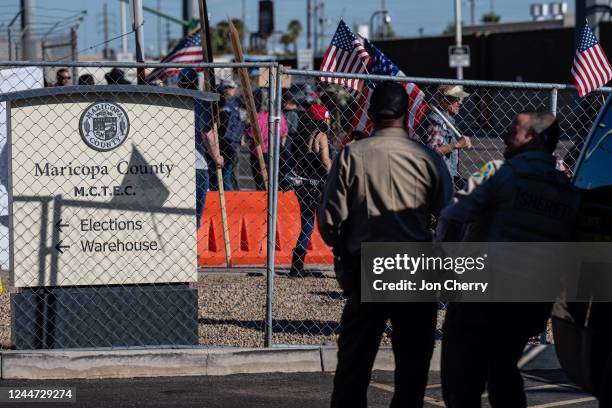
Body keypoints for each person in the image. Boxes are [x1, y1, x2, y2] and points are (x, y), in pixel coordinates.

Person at [318, 82, 453, 408]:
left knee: (354, 363)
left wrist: (342, 251)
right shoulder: (427, 157)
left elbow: (329, 220)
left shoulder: (352, 154)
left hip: (368, 264)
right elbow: (449, 216)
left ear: (371, 113)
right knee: (413, 365)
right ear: (406, 114)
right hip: (415, 265)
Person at [436, 112, 581, 408]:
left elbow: (452, 217)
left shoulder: (502, 173)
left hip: (485, 295)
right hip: (531, 300)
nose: (503, 134)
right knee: (504, 370)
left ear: (534, 139)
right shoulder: (567, 189)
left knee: (463, 375)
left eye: (513, 130)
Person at [289, 103, 333, 277]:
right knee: (333, 222)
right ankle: (343, 260)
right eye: (327, 118)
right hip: (319, 186)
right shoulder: (320, 135)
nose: (329, 121)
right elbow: (325, 160)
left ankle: (297, 265)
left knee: (307, 224)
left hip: (304, 185)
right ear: (323, 119)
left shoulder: (301, 134)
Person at [177, 68, 223, 229]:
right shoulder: (199, 102)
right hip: (196, 164)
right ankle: (190, 249)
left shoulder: (171, 101)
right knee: (195, 212)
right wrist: (217, 156)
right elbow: (207, 134)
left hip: (174, 164)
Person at [423, 85, 472, 188]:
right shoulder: (437, 121)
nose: (460, 102)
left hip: (448, 177)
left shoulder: (448, 120)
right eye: (457, 99)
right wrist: (457, 144)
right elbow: (432, 152)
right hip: (439, 180)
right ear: (445, 100)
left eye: (461, 99)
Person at [246, 88, 288, 190]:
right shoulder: (278, 116)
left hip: (259, 153)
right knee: (274, 180)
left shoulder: (257, 118)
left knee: (260, 183)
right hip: (275, 151)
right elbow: (284, 132)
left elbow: (250, 134)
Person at [209, 78, 244, 191]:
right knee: (215, 175)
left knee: (230, 174)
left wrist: (242, 137)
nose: (228, 90)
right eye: (226, 87)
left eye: (231, 87)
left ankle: (231, 198)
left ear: (235, 89)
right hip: (217, 143)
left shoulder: (239, 103)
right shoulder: (217, 102)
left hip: (232, 144)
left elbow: (242, 123)